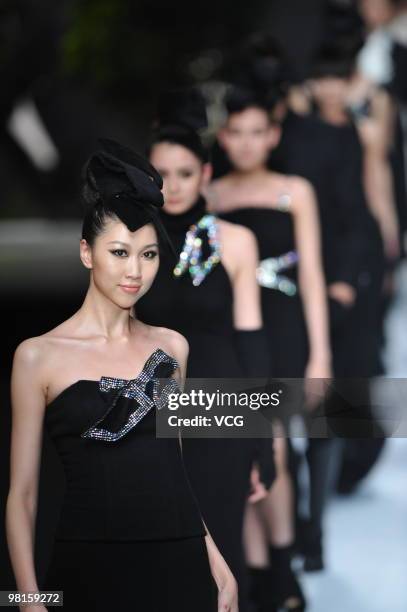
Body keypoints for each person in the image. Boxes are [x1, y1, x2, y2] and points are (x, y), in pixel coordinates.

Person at [5, 138, 238, 612]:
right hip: (89, 569)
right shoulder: (37, 356)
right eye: (119, 252)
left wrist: (215, 557)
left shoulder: (172, 347)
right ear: (87, 253)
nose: (135, 271)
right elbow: (22, 495)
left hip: (181, 562)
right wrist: (29, 600)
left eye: (148, 255)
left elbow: (173, 468)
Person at [136, 89, 275, 612]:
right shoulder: (130, 240)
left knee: (223, 548)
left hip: (220, 405)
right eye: (161, 173)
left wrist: (264, 441)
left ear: (206, 174)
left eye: (186, 173)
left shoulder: (234, 240)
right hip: (143, 401)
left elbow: (253, 340)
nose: (172, 186)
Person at [208, 59, 332, 610]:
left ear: (274, 134)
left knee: (272, 444)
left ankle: (282, 566)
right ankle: (259, 571)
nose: (247, 142)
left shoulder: (295, 191)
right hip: (234, 334)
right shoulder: (210, 199)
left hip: (283, 332)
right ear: (223, 135)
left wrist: (322, 351)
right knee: (240, 449)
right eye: (237, 132)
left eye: (258, 131)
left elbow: (311, 275)